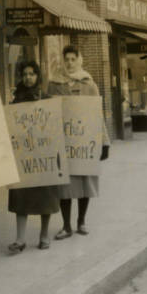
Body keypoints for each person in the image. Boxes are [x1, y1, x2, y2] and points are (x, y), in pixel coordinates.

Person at [47, 45, 109, 239]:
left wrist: (104, 141)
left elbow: (97, 114)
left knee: (84, 183)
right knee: (65, 186)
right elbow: (50, 113)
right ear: (63, 61)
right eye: (67, 59)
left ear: (79, 59)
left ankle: (81, 221)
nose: (70, 63)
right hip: (65, 143)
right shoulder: (55, 84)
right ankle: (66, 226)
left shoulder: (89, 84)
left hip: (84, 144)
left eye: (73, 59)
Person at [7, 60, 59, 253]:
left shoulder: (46, 99)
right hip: (23, 156)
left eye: (32, 74)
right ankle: (20, 239)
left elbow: (53, 127)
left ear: (38, 76)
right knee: (21, 195)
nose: (28, 78)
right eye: (25, 74)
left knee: (45, 195)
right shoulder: (16, 101)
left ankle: (44, 235)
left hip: (43, 155)